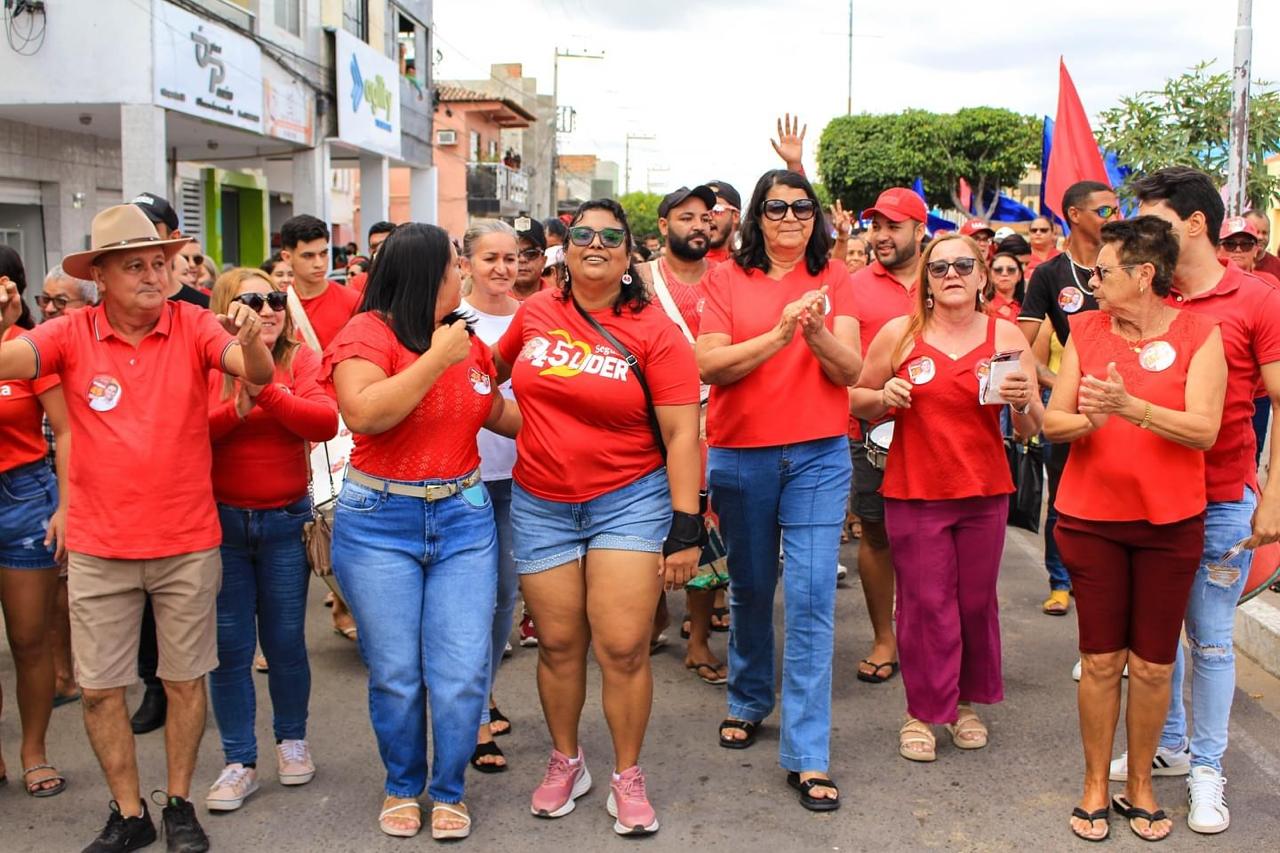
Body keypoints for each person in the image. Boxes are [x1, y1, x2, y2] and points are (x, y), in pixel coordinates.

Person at [0, 202, 275, 853]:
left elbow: (255, 374)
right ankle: (129, 812)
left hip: (185, 542)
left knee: (184, 681)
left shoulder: (195, 323)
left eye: (160, 261)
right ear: (101, 275)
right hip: (99, 547)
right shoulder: (69, 332)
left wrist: (254, 338)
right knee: (99, 691)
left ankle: (179, 804)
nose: (156, 274)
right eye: (137, 266)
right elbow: (13, 360)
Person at [493, 198, 700, 836]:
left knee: (621, 647)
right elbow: (486, 378)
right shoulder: (533, 314)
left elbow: (683, 435)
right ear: (566, 245)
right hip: (541, 502)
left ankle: (627, 777)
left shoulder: (655, 330)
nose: (596, 244)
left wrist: (685, 527)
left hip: (629, 500)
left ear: (629, 253)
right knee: (556, 644)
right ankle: (567, 761)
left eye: (611, 237)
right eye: (583, 233)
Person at [324, 223, 519, 841]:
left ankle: (448, 788)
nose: (463, 273)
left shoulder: (465, 340)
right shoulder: (367, 333)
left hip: (463, 517)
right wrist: (437, 357)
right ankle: (403, 784)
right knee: (397, 673)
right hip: (380, 521)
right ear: (426, 273)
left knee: (462, 672)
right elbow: (364, 412)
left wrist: (578, 404)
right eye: (455, 264)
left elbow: (499, 413)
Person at [1044, 215, 1226, 843]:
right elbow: (1054, 424)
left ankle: (1139, 785)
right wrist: (1089, 422)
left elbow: (1204, 429)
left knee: (1153, 665)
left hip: (1169, 524)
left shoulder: (1203, 334)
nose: (1093, 282)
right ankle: (1095, 783)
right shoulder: (1085, 329)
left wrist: (1131, 408)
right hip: (1092, 522)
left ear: (1145, 275)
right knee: (1100, 661)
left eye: (1104, 271)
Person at [1110, 169, 1280, 836]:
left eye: (1156, 222)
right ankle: (1171, 745)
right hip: (1151, 501)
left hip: (1221, 503)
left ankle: (1209, 766)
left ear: (1197, 224)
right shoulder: (1155, 293)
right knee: (1155, 639)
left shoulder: (1257, 297)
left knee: (1209, 641)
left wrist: (1272, 499)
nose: (1147, 236)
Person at [698, 170, 859, 812]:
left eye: (801, 207)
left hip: (819, 454)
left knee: (814, 597)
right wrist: (781, 333)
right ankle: (748, 696)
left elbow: (852, 371)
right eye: (776, 207)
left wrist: (815, 330)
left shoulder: (835, 277)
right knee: (752, 585)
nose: (790, 217)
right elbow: (710, 365)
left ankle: (808, 754)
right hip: (741, 455)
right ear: (755, 218)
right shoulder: (724, 278)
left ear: (814, 216)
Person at [850, 234, 1042, 762]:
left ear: (983, 276)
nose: (951, 274)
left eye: (963, 265)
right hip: (915, 491)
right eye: (939, 268)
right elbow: (857, 398)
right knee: (924, 604)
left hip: (984, 490)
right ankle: (921, 709)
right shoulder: (900, 334)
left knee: (974, 604)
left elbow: (1029, 428)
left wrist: (1025, 404)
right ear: (926, 281)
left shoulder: (1006, 334)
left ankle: (963, 703)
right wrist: (883, 396)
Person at [203, 268, 338, 813]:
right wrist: (240, 405)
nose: (267, 309)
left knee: (284, 644)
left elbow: (323, 420)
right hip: (220, 524)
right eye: (252, 300)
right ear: (227, 307)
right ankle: (239, 759)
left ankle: (291, 740)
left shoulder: (300, 357)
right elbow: (190, 428)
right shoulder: (208, 358)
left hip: (285, 521)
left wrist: (265, 392)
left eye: (274, 299)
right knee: (230, 650)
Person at [1018, 180, 1121, 615]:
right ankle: (1060, 581)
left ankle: (1106, 580)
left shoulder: (1134, 267)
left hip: (1127, 404)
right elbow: (1019, 346)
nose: (1114, 219)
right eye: (1104, 211)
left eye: (1116, 210)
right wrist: (1061, 384)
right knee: (1062, 497)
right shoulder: (1049, 274)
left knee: (1117, 495)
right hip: (1069, 409)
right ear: (1075, 215)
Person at [640, 184, 728, 685]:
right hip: (650, 420)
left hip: (716, 419)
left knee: (703, 525)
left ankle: (698, 641)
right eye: (685, 217)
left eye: (704, 217)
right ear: (663, 226)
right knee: (648, 519)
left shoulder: (727, 278)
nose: (697, 225)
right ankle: (652, 612)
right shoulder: (640, 280)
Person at [848, 187, 928, 684]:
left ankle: (929, 635)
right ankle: (885, 638)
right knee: (876, 534)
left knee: (932, 539)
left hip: (942, 435)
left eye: (893, 226)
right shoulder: (852, 285)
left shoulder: (948, 276)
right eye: (875, 226)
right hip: (870, 433)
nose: (880, 236)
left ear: (921, 232)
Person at [0, 246, 71, 798]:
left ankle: (34, 750)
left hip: (24, 494)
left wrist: (67, 505)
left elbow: (66, 431)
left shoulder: (30, 347)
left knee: (29, 639)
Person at [458, 220, 522, 774]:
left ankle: (481, 689)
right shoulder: (451, 321)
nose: (502, 268)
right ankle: (474, 717)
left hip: (521, 479)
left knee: (504, 599)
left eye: (510, 257)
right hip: (460, 482)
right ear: (466, 263)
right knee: (472, 603)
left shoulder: (535, 317)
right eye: (489, 258)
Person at [37, 265, 95, 706]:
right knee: (54, 587)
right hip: (36, 480)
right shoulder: (32, 346)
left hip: (85, 483)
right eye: (44, 300)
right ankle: (62, 673)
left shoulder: (88, 346)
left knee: (74, 587)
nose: (50, 309)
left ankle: (81, 671)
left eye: (61, 301)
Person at [280, 214, 361, 349]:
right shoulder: (276, 306)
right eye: (308, 256)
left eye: (323, 254)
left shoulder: (354, 302)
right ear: (287, 257)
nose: (319, 263)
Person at [1217, 216, 1279, 287]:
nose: (1238, 249)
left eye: (1245, 244)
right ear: (1218, 249)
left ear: (1255, 250)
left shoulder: (1269, 282)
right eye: (1230, 244)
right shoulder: (1208, 283)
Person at [346, 221, 396, 293]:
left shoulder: (408, 280)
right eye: (374, 246)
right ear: (369, 251)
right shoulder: (358, 283)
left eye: (385, 245)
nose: (379, 250)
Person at [704, 180, 742, 266]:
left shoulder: (747, 266)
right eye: (704, 211)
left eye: (716, 209)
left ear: (735, 216)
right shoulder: (687, 265)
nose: (708, 217)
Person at [512, 217, 548, 301]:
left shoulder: (559, 300)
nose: (522, 259)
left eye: (531, 253)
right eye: (513, 254)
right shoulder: (488, 299)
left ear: (544, 261)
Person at [985, 250, 1025, 320]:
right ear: (990, 276)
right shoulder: (982, 307)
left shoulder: (1030, 306)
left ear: (1019, 275)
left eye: (1011, 270)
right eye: (998, 270)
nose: (1004, 274)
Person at [1243, 209, 1280, 281]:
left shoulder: (1277, 266)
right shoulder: (1232, 263)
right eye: (1256, 231)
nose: (1260, 237)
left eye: (1264, 233)